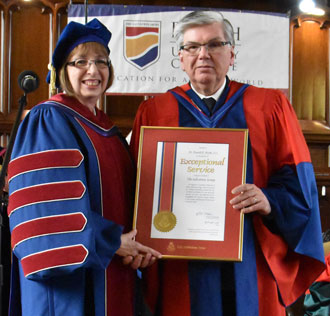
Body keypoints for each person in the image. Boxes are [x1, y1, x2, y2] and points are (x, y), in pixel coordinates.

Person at [130, 10, 325, 316]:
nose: (203, 54)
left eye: (215, 44)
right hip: (180, 266)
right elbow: (139, 191)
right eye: (192, 47)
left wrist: (269, 199)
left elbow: (299, 185)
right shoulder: (155, 113)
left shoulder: (269, 107)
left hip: (252, 260)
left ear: (232, 54)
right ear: (180, 57)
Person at [7, 18, 161, 316]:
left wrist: (136, 243)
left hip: (115, 268)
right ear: (63, 71)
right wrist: (111, 241)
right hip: (69, 283)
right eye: (81, 62)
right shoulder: (49, 120)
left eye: (101, 61)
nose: (93, 70)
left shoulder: (108, 131)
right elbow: (46, 209)